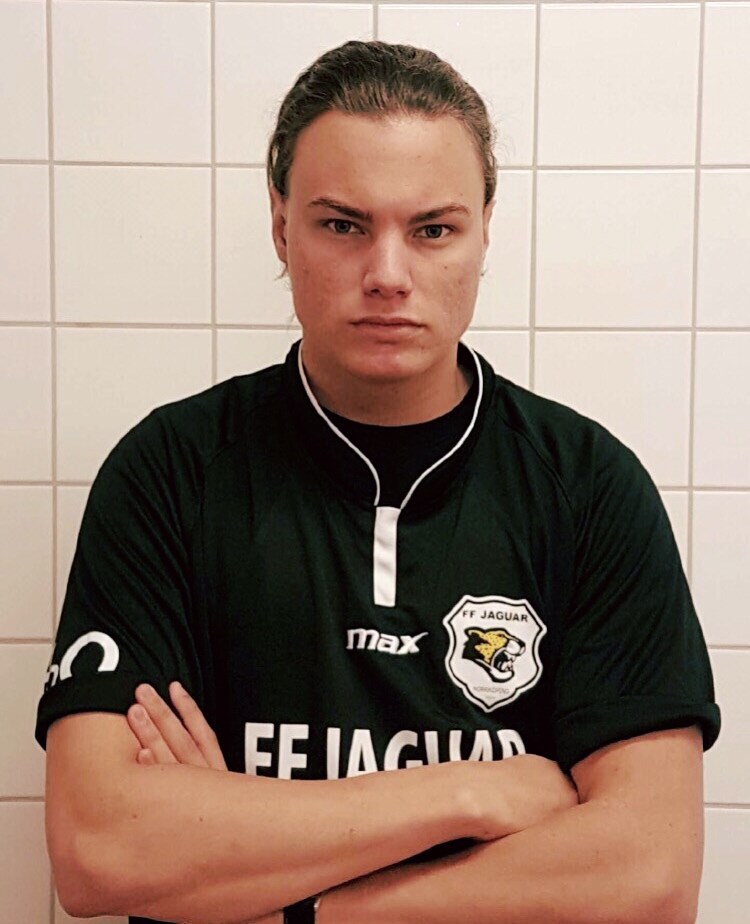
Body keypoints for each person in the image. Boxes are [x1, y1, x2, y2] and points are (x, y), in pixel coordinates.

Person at [36, 39, 720, 924]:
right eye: (343, 225)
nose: (388, 276)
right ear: (281, 226)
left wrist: (291, 898)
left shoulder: (589, 488)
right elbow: (100, 847)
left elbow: (649, 877)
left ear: (484, 232)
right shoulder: (170, 473)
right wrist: (472, 794)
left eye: (433, 230)